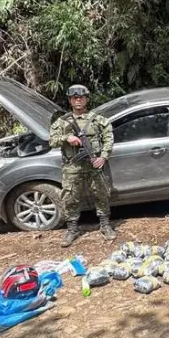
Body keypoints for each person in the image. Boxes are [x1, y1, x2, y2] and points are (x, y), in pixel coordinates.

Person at [48, 84, 115, 247]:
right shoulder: (61, 122)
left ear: (86, 99)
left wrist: (104, 157)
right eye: (74, 98)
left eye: (81, 97)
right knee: (70, 196)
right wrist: (66, 138)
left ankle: (105, 225)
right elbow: (51, 141)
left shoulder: (97, 119)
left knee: (102, 194)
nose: (78, 100)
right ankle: (72, 229)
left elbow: (109, 138)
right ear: (70, 100)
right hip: (73, 166)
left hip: (94, 164)